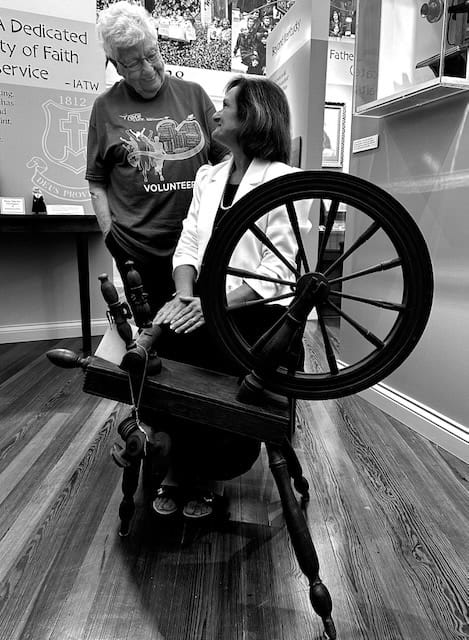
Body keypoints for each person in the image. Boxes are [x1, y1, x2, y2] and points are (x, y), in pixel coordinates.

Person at [150, 75, 311, 519]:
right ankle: (174, 459)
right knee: (165, 342)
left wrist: (213, 308)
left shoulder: (286, 183)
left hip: (251, 312)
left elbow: (278, 275)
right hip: (204, 302)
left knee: (212, 355)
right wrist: (185, 297)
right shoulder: (209, 176)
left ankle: (208, 472)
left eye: (226, 106)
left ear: (252, 118)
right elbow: (186, 246)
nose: (216, 113)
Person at [86, 1, 226, 316]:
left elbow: (226, 162)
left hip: (197, 246)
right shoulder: (105, 107)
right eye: (134, 63)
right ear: (116, 65)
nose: (148, 70)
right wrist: (111, 238)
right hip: (137, 250)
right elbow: (97, 183)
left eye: (151, 55)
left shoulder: (194, 94)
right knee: (154, 334)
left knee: (201, 329)